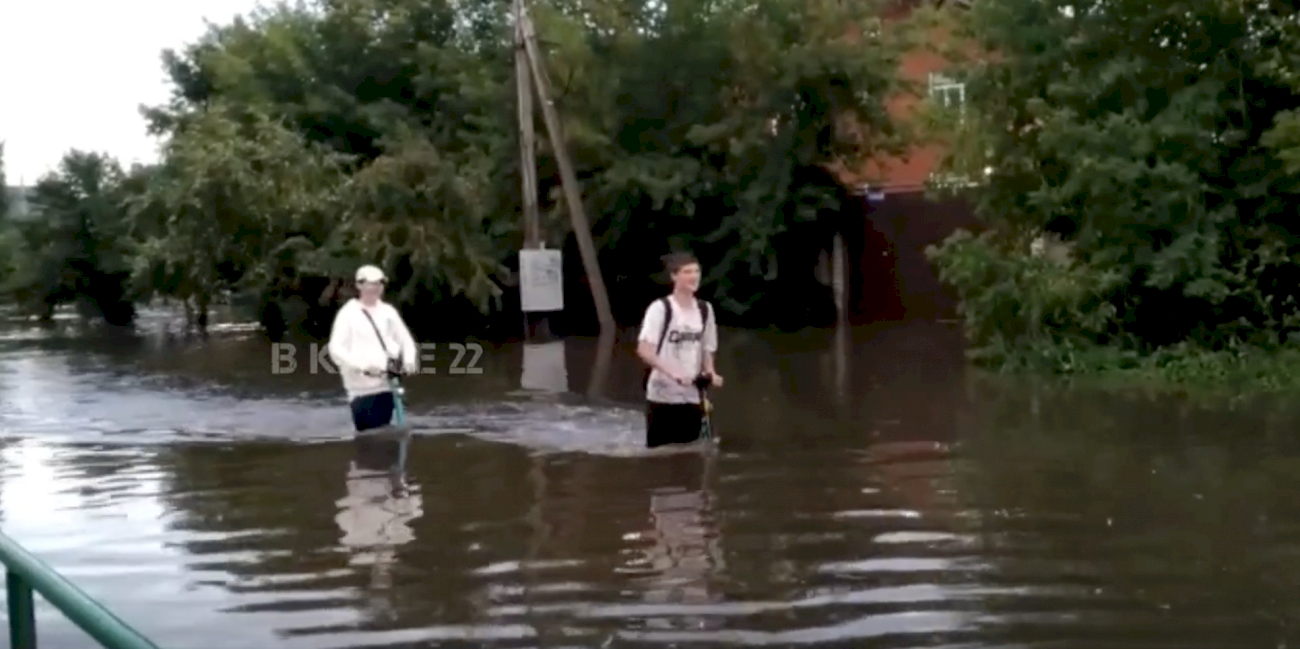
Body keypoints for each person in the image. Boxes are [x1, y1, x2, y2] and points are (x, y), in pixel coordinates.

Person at [637, 252, 724, 448]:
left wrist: (711, 371)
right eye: (687, 272)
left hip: (693, 395)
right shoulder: (660, 309)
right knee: (658, 457)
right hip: (662, 396)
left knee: (692, 456)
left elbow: (707, 348)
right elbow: (644, 350)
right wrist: (674, 373)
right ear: (674, 276)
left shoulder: (705, 310)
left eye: (696, 271)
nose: (693, 276)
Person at [327, 265, 418, 432]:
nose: (374, 288)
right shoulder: (348, 313)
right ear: (359, 285)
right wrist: (363, 366)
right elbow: (336, 348)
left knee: (386, 437)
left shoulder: (388, 312)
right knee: (369, 438)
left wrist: (409, 360)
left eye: (379, 284)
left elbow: (405, 339)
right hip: (361, 390)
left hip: (387, 384)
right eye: (370, 284)